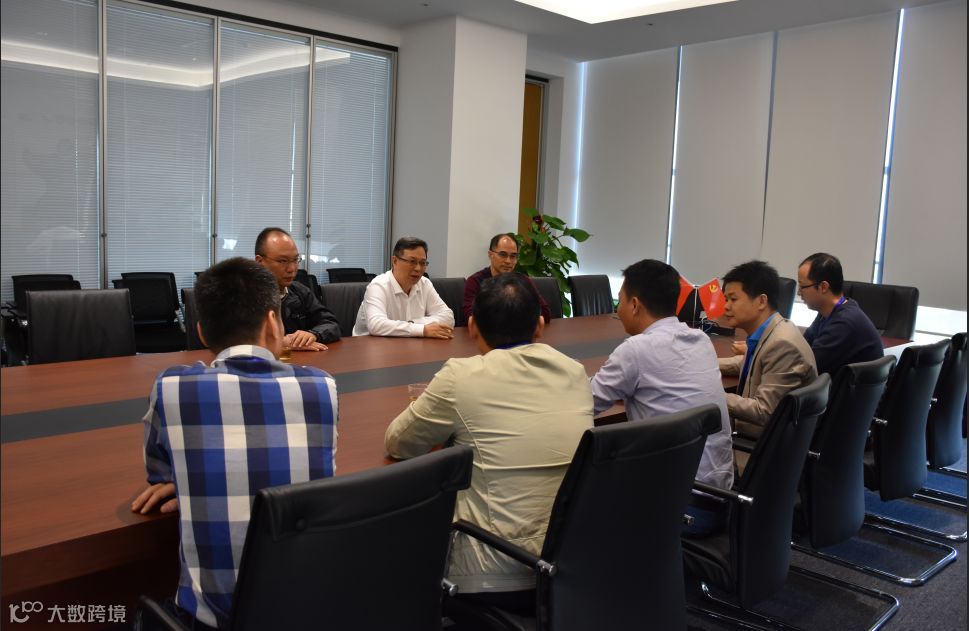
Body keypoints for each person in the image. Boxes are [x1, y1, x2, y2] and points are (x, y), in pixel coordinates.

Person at [131, 258, 338, 629]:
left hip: (215, 622)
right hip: (307, 610)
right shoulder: (322, 388)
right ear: (273, 323)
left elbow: (159, 472)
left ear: (201, 332)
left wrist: (186, 477)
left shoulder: (173, 388)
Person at [384, 273, 593, 613]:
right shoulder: (575, 373)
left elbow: (399, 443)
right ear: (540, 326)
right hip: (570, 569)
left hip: (492, 575)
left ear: (472, 326)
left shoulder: (460, 377)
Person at [590, 259, 734, 535]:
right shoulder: (701, 341)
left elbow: (586, 403)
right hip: (719, 498)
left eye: (619, 300)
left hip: (678, 506)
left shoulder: (636, 350)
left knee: (586, 479)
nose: (617, 309)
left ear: (634, 304)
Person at [719, 260, 817, 439]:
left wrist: (712, 394)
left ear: (761, 301)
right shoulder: (772, 329)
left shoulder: (782, 345)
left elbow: (763, 411)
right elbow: (749, 363)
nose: (726, 306)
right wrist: (707, 364)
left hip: (762, 445)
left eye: (733, 299)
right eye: (726, 299)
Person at [798, 252, 883, 375]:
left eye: (802, 286)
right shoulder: (827, 313)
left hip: (847, 387)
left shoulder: (844, 323)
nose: (799, 292)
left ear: (823, 287)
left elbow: (807, 368)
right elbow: (802, 347)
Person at [255, 227, 340, 350]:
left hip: (301, 359)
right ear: (260, 261)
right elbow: (231, 339)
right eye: (283, 261)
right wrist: (282, 342)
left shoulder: (299, 291)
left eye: (295, 260)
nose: (292, 269)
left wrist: (314, 334)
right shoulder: (242, 294)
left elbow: (331, 324)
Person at [353, 236, 455, 337]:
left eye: (422, 263)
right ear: (395, 261)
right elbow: (376, 325)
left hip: (408, 343)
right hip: (369, 344)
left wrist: (413, 323)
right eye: (412, 262)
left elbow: (448, 317)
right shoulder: (378, 286)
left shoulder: (425, 284)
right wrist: (422, 329)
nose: (418, 268)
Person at [462, 233, 552, 325]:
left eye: (513, 256)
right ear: (490, 255)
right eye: (503, 254)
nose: (508, 261)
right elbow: (471, 318)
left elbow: (545, 314)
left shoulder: (523, 280)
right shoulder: (475, 281)